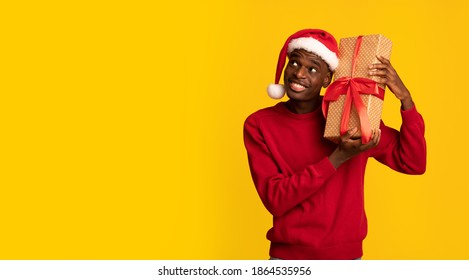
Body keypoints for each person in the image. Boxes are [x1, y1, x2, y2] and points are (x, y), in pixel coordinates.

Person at [243, 29, 426, 260]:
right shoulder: (259, 124)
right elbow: (276, 200)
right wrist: (338, 157)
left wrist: (406, 99)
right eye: (294, 63)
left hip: (346, 261)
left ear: (327, 79)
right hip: (289, 261)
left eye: (312, 69)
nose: (298, 73)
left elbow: (413, 162)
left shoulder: (352, 116)